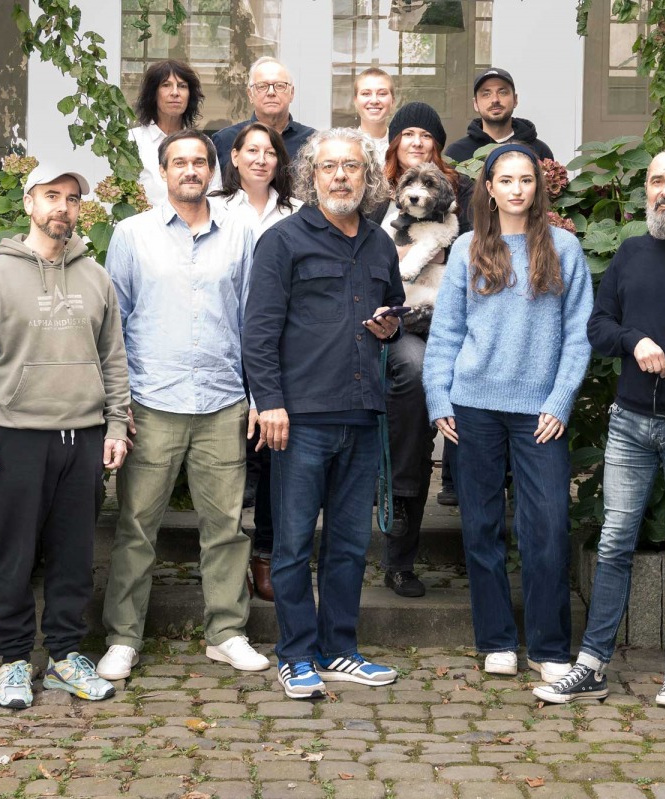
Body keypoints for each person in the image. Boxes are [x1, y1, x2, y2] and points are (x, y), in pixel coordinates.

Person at [534, 150, 665, 707]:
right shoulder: (629, 251)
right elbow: (599, 325)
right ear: (646, 190)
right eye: (656, 182)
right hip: (629, 423)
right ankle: (593, 662)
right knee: (614, 540)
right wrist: (634, 340)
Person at [97, 129, 270, 682]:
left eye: (200, 161)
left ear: (214, 172)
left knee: (225, 527)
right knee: (137, 527)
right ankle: (124, 637)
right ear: (163, 172)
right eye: (180, 162)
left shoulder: (240, 233)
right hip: (151, 402)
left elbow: (252, 322)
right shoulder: (131, 235)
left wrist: (256, 397)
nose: (190, 170)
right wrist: (116, 404)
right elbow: (112, 327)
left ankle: (226, 632)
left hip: (221, 401)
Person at [0, 162, 129, 709]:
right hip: (14, 438)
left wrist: (117, 424)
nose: (63, 207)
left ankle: (63, 656)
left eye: (73, 198)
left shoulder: (96, 276)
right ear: (29, 203)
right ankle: (12, 660)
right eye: (51, 195)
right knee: (14, 556)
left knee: (74, 554)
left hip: (82, 437)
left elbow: (115, 358)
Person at [243, 127, 404, 700]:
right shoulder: (283, 241)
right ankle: (295, 654)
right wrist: (270, 404)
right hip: (301, 417)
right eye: (330, 167)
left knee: (348, 543)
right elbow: (258, 333)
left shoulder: (381, 245)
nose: (341, 176)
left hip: (362, 412)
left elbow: (395, 314)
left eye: (353, 168)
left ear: (369, 178)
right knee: (290, 543)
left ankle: (340, 649)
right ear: (312, 176)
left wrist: (392, 326)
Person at [422, 143, 592, 683]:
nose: (517, 189)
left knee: (547, 528)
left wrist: (560, 400)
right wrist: (438, 398)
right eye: (507, 180)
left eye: (527, 180)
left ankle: (548, 646)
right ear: (489, 190)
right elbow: (446, 333)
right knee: (482, 526)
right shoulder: (468, 248)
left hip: (540, 411)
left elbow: (578, 336)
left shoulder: (564, 248)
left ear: (538, 189)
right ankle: (495, 639)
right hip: (473, 407)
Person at [365, 101, 473, 598]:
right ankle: (399, 549)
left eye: (425, 135)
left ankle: (480, 542)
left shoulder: (465, 192)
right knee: (412, 371)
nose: (416, 141)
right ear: (394, 141)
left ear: (437, 144)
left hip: (457, 313)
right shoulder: (372, 193)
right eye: (406, 133)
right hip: (399, 322)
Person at [212, 121, 303, 602]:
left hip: (280, 350)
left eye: (270, 151)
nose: (261, 159)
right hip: (224, 348)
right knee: (230, 458)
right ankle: (226, 558)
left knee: (271, 455)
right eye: (251, 150)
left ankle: (266, 553)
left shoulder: (298, 213)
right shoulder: (215, 210)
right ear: (234, 157)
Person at [129, 59, 222, 205]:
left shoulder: (203, 143)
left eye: (182, 86)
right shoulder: (132, 140)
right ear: (153, 93)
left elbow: (215, 196)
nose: (175, 93)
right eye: (166, 85)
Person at [212, 57, 316, 169]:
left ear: (292, 93)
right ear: (250, 95)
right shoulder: (225, 140)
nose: (271, 92)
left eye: (280, 86)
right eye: (262, 86)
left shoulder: (312, 141)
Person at [444, 68, 554, 163]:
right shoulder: (456, 153)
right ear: (476, 104)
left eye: (502, 92)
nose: (495, 100)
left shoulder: (540, 151)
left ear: (515, 100)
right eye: (486, 94)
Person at [352, 67, 396, 163]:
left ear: (393, 101)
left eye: (382, 93)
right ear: (355, 101)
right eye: (366, 94)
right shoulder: (345, 145)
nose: (374, 100)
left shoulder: (401, 146)